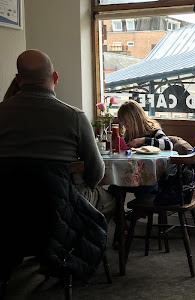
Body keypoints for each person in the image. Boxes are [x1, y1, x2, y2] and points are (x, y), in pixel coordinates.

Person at [0, 50, 108, 282]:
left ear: (18, 79)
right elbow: (97, 173)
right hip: (57, 214)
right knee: (109, 198)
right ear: (55, 77)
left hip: (8, 213)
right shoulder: (74, 117)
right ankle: (72, 260)